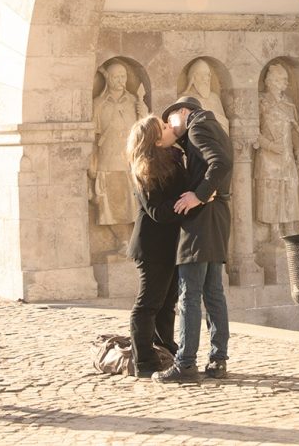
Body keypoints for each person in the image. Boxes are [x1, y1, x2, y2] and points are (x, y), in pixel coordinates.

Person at [152, 96, 233, 384]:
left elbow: (221, 163)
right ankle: (218, 359)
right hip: (217, 217)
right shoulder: (213, 126)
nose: (169, 125)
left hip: (202, 222)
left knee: (189, 295)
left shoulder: (198, 127)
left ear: (184, 112)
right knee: (213, 292)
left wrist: (199, 195)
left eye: (170, 119)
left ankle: (185, 364)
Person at [126, 113, 186, 378]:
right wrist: (188, 205)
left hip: (170, 244)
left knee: (167, 301)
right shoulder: (146, 167)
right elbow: (157, 212)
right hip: (152, 246)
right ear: (155, 139)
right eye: (163, 126)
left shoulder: (172, 156)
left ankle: (165, 348)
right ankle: (144, 361)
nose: (168, 126)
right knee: (148, 303)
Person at [90, 60, 144, 231]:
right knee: (109, 206)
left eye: (123, 76)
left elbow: (144, 129)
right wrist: (92, 163)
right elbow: (92, 135)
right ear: (109, 79)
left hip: (130, 161)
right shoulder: (98, 104)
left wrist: (144, 112)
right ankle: (120, 241)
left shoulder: (133, 101)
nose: (121, 80)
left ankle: (131, 242)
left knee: (133, 204)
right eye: (116, 77)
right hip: (107, 160)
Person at [254, 63, 299, 235]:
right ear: (273, 80)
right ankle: (275, 233)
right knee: (271, 194)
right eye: (283, 79)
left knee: (290, 191)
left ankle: (290, 232)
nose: (286, 83)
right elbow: (251, 131)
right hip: (268, 157)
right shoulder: (260, 101)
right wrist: (269, 146)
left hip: (286, 155)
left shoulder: (288, 103)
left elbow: (294, 129)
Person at [183, 59, 230, 135]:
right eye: (202, 74)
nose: (206, 79)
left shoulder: (215, 98)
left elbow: (225, 123)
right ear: (193, 77)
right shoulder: (184, 98)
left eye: (208, 75)